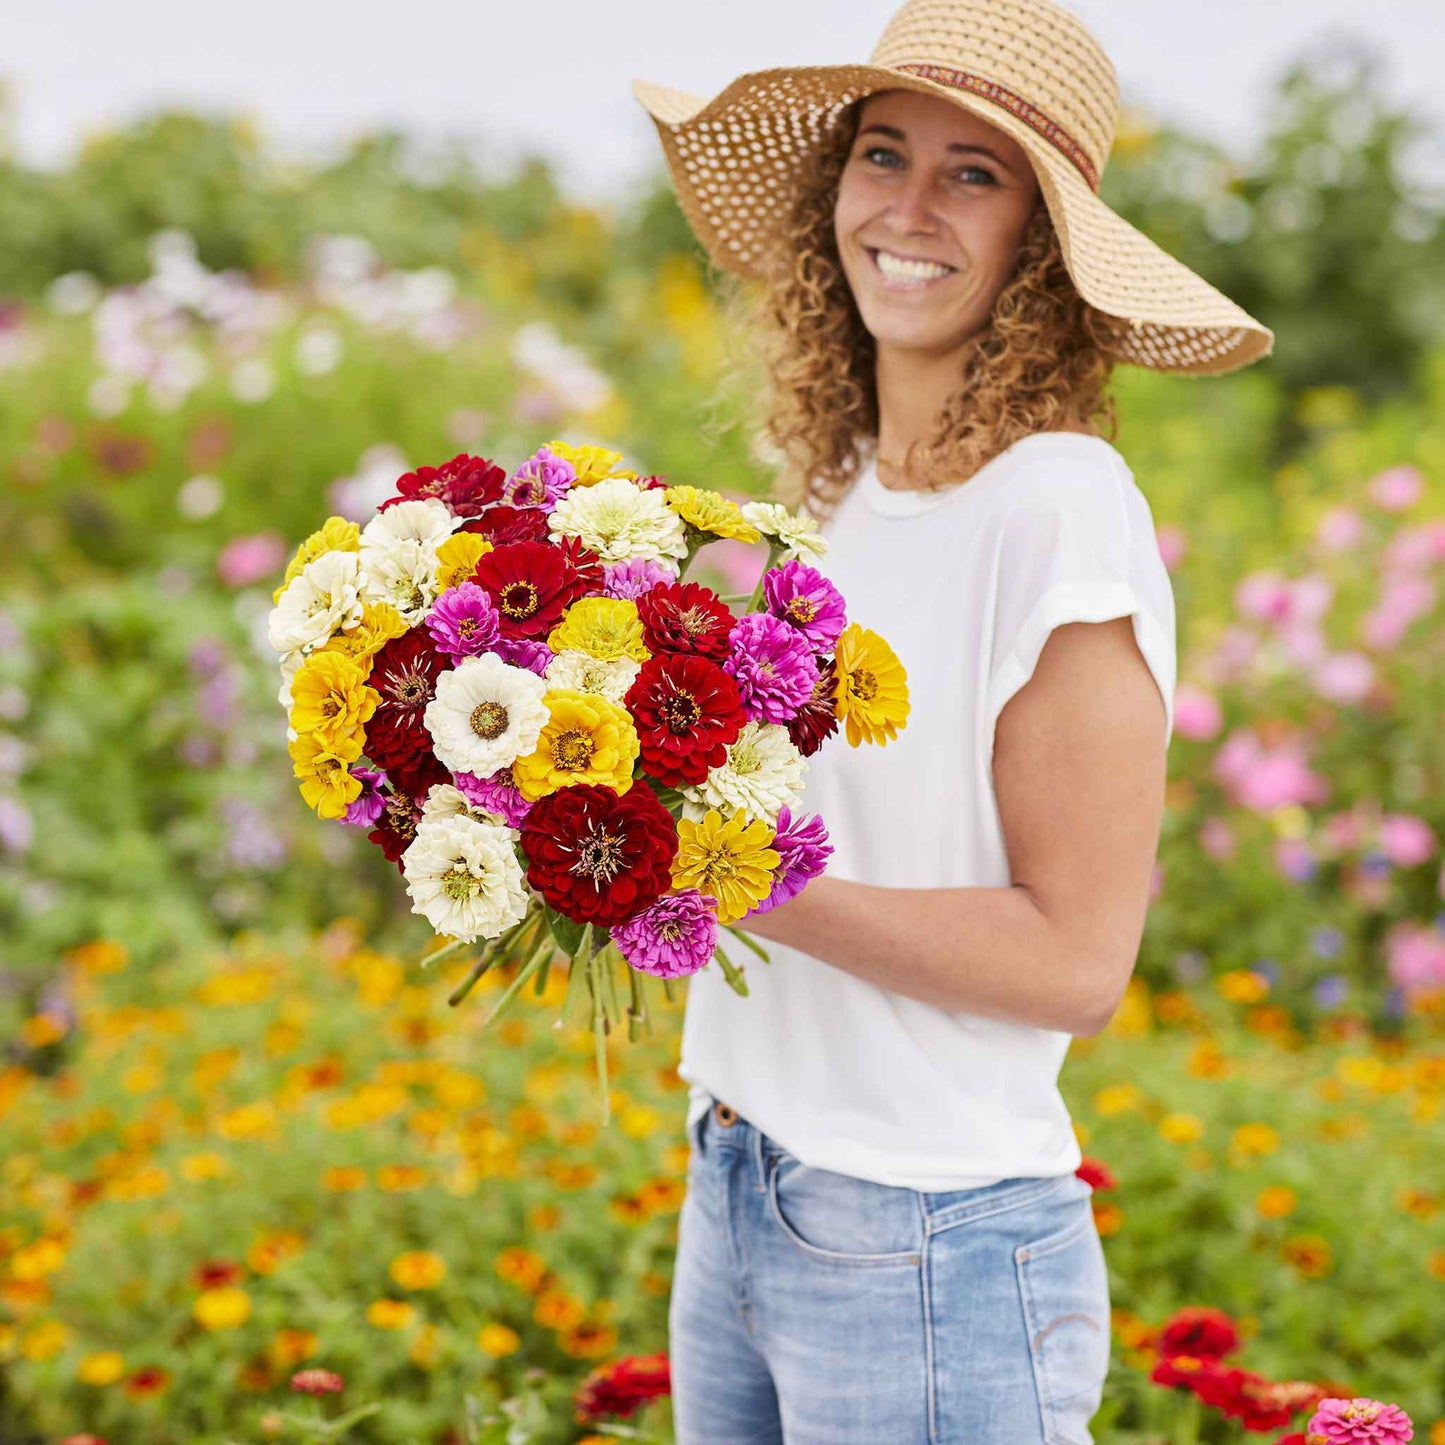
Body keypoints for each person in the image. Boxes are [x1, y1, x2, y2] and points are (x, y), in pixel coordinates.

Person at [633, 1, 1273, 1440]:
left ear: (1040, 248)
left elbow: (1074, 957)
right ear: (830, 193)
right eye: (882, 154)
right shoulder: (844, 482)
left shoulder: (1055, 508)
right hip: (740, 1174)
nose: (906, 209)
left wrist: (737, 876)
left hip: (923, 1237)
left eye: (972, 174)